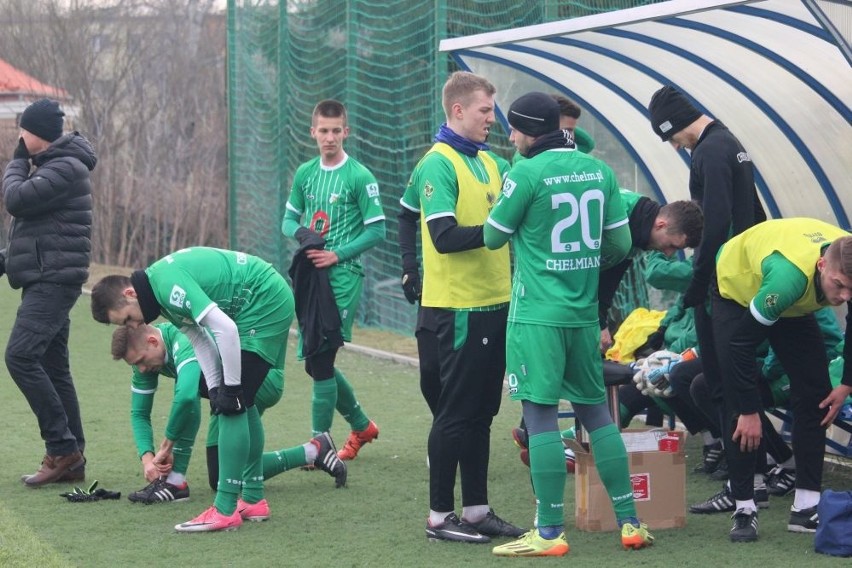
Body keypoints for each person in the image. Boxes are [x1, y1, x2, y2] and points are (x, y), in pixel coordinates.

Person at [484, 91, 653, 556]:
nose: (511, 136)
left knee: (538, 418)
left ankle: (550, 532)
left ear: (530, 131)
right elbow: (619, 245)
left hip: (536, 316)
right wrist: (578, 264)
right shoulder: (599, 171)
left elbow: (492, 236)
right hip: (582, 317)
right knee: (597, 415)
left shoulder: (525, 172)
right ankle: (630, 523)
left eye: (513, 128)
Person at [400, 71, 524, 544]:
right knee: (453, 413)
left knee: (481, 414)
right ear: (457, 111)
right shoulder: (438, 163)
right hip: (456, 310)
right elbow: (442, 235)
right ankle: (438, 517)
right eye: (484, 111)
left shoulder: (492, 162)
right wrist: (413, 266)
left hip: (494, 305)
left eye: (492, 110)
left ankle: (476, 510)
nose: (492, 119)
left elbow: (404, 214)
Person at [90, 246, 294, 533]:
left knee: (236, 404)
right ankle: (253, 499)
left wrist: (230, 389)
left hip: (263, 301)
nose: (135, 325)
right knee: (234, 404)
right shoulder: (160, 296)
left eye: (126, 319)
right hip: (258, 302)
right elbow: (200, 340)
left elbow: (224, 328)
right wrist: (216, 390)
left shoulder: (166, 282)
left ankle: (225, 510)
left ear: (130, 294)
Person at [648, 85, 766, 542]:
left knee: (725, 389)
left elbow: (715, 223)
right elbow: (752, 215)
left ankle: (745, 502)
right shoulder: (728, 143)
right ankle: (748, 487)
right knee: (723, 387)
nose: (674, 146)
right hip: (734, 282)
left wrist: (699, 283)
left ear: (678, 124)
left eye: (671, 137)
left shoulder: (710, 151)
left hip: (725, 287)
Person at [691, 218, 852, 541]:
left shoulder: (844, 261)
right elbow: (741, 345)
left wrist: (846, 383)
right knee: (736, 402)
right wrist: (751, 412)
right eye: (839, 285)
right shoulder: (786, 280)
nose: (845, 296)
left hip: (792, 304)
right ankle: (745, 508)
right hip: (737, 292)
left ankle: (806, 507)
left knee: (817, 397)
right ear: (822, 266)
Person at [110, 323, 346, 504]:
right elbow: (139, 413)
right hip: (223, 392)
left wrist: (167, 449)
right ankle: (315, 450)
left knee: (190, 387)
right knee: (220, 476)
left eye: (141, 361)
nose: (141, 368)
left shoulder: (181, 338)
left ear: (152, 341)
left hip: (259, 381)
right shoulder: (143, 360)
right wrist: (147, 458)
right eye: (135, 364)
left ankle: (175, 483)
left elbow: (187, 399)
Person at [281, 99, 384, 461]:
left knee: (322, 358)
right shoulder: (305, 173)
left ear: (346, 132)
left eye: (335, 130)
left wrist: (337, 254)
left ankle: (318, 444)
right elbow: (288, 222)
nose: (329, 137)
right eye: (323, 131)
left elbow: (377, 230)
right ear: (313, 133)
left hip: (343, 276)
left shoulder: (360, 176)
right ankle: (361, 425)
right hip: (312, 276)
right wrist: (304, 235)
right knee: (313, 360)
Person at [2, 98, 97, 487]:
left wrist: (15, 160)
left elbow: (15, 200)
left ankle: (62, 448)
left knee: (20, 356)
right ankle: (71, 460)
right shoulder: (56, 167)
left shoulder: (65, 168)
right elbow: (42, 236)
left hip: (54, 282)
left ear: (35, 133)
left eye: (23, 130)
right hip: (47, 276)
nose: (19, 137)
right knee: (53, 367)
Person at [511, 94, 595, 164]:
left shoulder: (571, 150)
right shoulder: (524, 157)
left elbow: (588, 144)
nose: (569, 136)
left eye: (571, 130)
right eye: (564, 130)